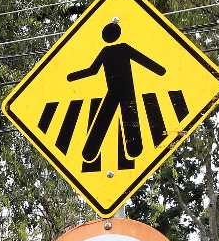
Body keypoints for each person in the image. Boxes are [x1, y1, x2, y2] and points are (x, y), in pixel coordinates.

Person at [67, 21, 166, 163]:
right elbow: (143, 60)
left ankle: (90, 152)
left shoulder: (106, 51)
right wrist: (160, 70)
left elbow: (92, 70)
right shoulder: (122, 48)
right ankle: (133, 150)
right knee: (129, 118)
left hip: (114, 90)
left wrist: (72, 76)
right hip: (125, 89)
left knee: (105, 118)